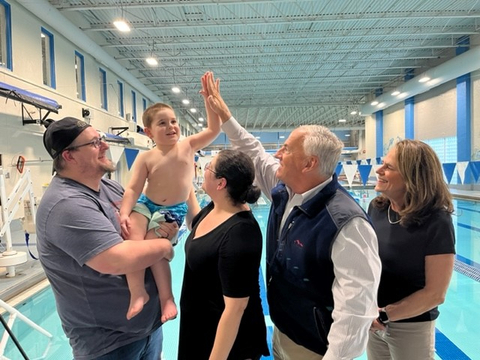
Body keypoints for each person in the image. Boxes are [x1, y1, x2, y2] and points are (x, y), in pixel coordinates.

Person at [204, 72, 382, 360]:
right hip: (284, 332)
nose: (277, 154)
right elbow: (254, 150)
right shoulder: (284, 188)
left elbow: (356, 309)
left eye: (286, 149)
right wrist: (225, 116)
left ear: (309, 163)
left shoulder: (347, 224)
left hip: (314, 349)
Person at [36, 117, 178, 360]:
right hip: (108, 344)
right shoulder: (66, 204)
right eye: (94, 143)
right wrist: (164, 246)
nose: (104, 146)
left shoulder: (111, 188)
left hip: (147, 330)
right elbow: (116, 260)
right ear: (69, 156)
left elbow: (144, 232)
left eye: (101, 139)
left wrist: (164, 233)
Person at [119, 71, 222, 320]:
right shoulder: (146, 157)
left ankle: (167, 299)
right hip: (146, 204)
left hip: (172, 210)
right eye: (162, 123)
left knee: (154, 247)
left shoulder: (186, 146)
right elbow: (133, 188)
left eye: (173, 121)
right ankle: (137, 292)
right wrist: (124, 212)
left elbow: (213, 128)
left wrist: (211, 101)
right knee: (132, 236)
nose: (171, 127)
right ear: (148, 131)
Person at [367, 140, 455, 360]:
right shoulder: (377, 209)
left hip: (411, 327)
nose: (379, 170)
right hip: (373, 322)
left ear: (412, 176)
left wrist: (386, 315)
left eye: (388, 167)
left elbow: (435, 293)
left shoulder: (436, 221)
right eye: (382, 163)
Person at [178, 149, 270, 360]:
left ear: (221, 183)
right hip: (201, 330)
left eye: (209, 166)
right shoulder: (215, 207)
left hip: (227, 343)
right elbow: (196, 226)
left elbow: (236, 308)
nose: (204, 168)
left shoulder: (240, 233)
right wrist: (184, 180)